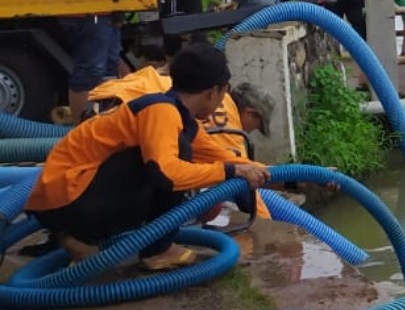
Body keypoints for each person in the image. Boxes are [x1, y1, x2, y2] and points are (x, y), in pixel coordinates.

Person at [24, 44, 268, 271]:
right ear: (214, 91)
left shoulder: (178, 116)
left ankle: (78, 237)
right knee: (171, 160)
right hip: (67, 203)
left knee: (180, 152)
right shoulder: (161, 111)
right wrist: (229, 173)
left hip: (67, 199)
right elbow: (168, 173)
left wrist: (255, 170)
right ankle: (157, 250)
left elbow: (222, 157)